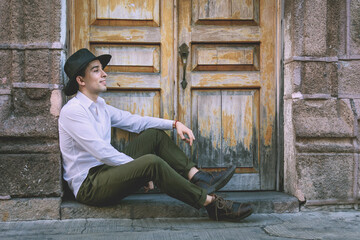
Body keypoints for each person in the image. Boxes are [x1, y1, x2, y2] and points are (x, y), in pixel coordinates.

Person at [59, 48, 253, 221]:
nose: (104, 74)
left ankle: (199, 177)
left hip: (106, 172)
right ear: (80, 80)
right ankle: (211, 204)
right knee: (151, 162)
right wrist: (140, 171)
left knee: (153, 135)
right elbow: (101, 152)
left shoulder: (99, 106)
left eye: (102, 69)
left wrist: (174, 124)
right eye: (96, 70)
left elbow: (136, 122)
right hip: (89, 186)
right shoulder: (73, 111)